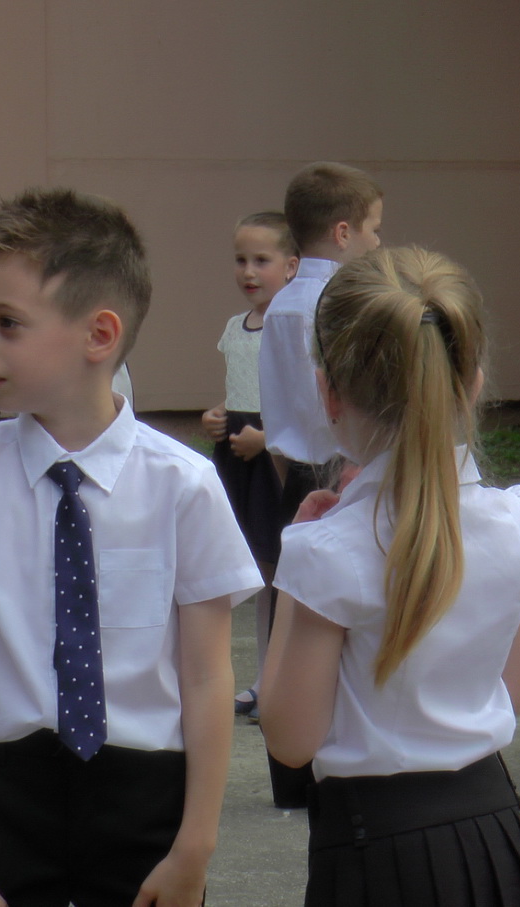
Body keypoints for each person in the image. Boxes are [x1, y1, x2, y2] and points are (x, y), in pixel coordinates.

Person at [0, 188, 261, 906]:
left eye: (7, 322)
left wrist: (194, 848)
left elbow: (207, 677)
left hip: (145, 799)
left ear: (99, 335)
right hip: (1, 799)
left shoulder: (183, 486)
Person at [258, 247, 520, 907]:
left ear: (328, 392)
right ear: (472, 381)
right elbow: (509, 693)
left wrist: (294, 566)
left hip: (377, 848)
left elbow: (290, 737)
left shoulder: (327, 551)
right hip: (492, 833)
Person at [256, 161, 382, 808]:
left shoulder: (278, 304)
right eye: (373, 229)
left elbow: (278, 407)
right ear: (342, 232)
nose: (377, 242)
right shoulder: (342, 303)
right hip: (342, 469)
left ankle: (290, 772)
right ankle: (334, 755)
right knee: (340, 615)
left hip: (292, 474)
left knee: (292, 616)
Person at [201, 212, 299, 720]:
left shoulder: (292, 327)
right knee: (250, 568)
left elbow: (299, 397)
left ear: (292, 266)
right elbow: (240, 386)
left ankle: (278, 683)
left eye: (262, 260)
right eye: (241, 260)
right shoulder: (234, 327)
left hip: (272, 459)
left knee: (278, 569)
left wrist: (269, 436)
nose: (249, 271)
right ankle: (260, 679)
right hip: (235, 454)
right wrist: (217, 414)